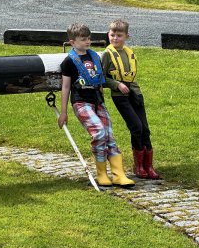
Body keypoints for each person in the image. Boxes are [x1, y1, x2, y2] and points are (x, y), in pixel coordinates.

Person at [58, 22, 135, 188]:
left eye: (89, 39)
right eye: (83, 39)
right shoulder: (69, 62)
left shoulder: (94, 57)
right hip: (81, 101)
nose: (87, 42)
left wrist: (101, 101)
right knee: (99, 133)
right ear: (72, 42)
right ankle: (101, 173)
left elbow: (99, 81)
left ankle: (118, 174)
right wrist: (63, 112)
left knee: (109, 135)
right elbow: (65, 87)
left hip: (97, 101)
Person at [101, 19, 160, 179]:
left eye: (119, 35)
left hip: (134, 93)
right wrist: (116, 84)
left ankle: (149, 166)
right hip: (120, 96)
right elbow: (100, 77)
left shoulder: (128, 52)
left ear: (127, 36)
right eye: (112, 35)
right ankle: (138, 166)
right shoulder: (107, 55)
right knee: (136, 127)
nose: (115, 38)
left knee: (145, 129)